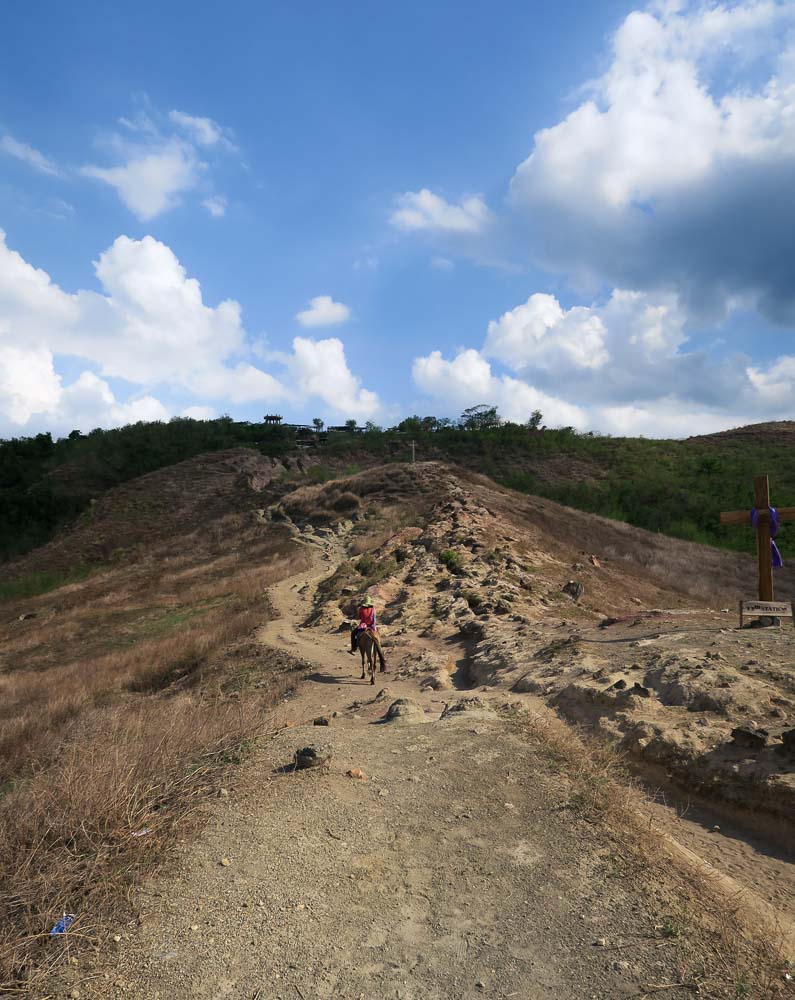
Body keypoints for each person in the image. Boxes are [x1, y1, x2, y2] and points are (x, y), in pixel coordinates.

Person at [349, 596, 386, 670]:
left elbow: (360, 617)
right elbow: (374, 619)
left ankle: (354, 647)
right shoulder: (373, 609)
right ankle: (379, 645)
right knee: (377, 635)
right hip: (372, 626)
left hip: (363, 626)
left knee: (353, 633)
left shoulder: (361, 609)